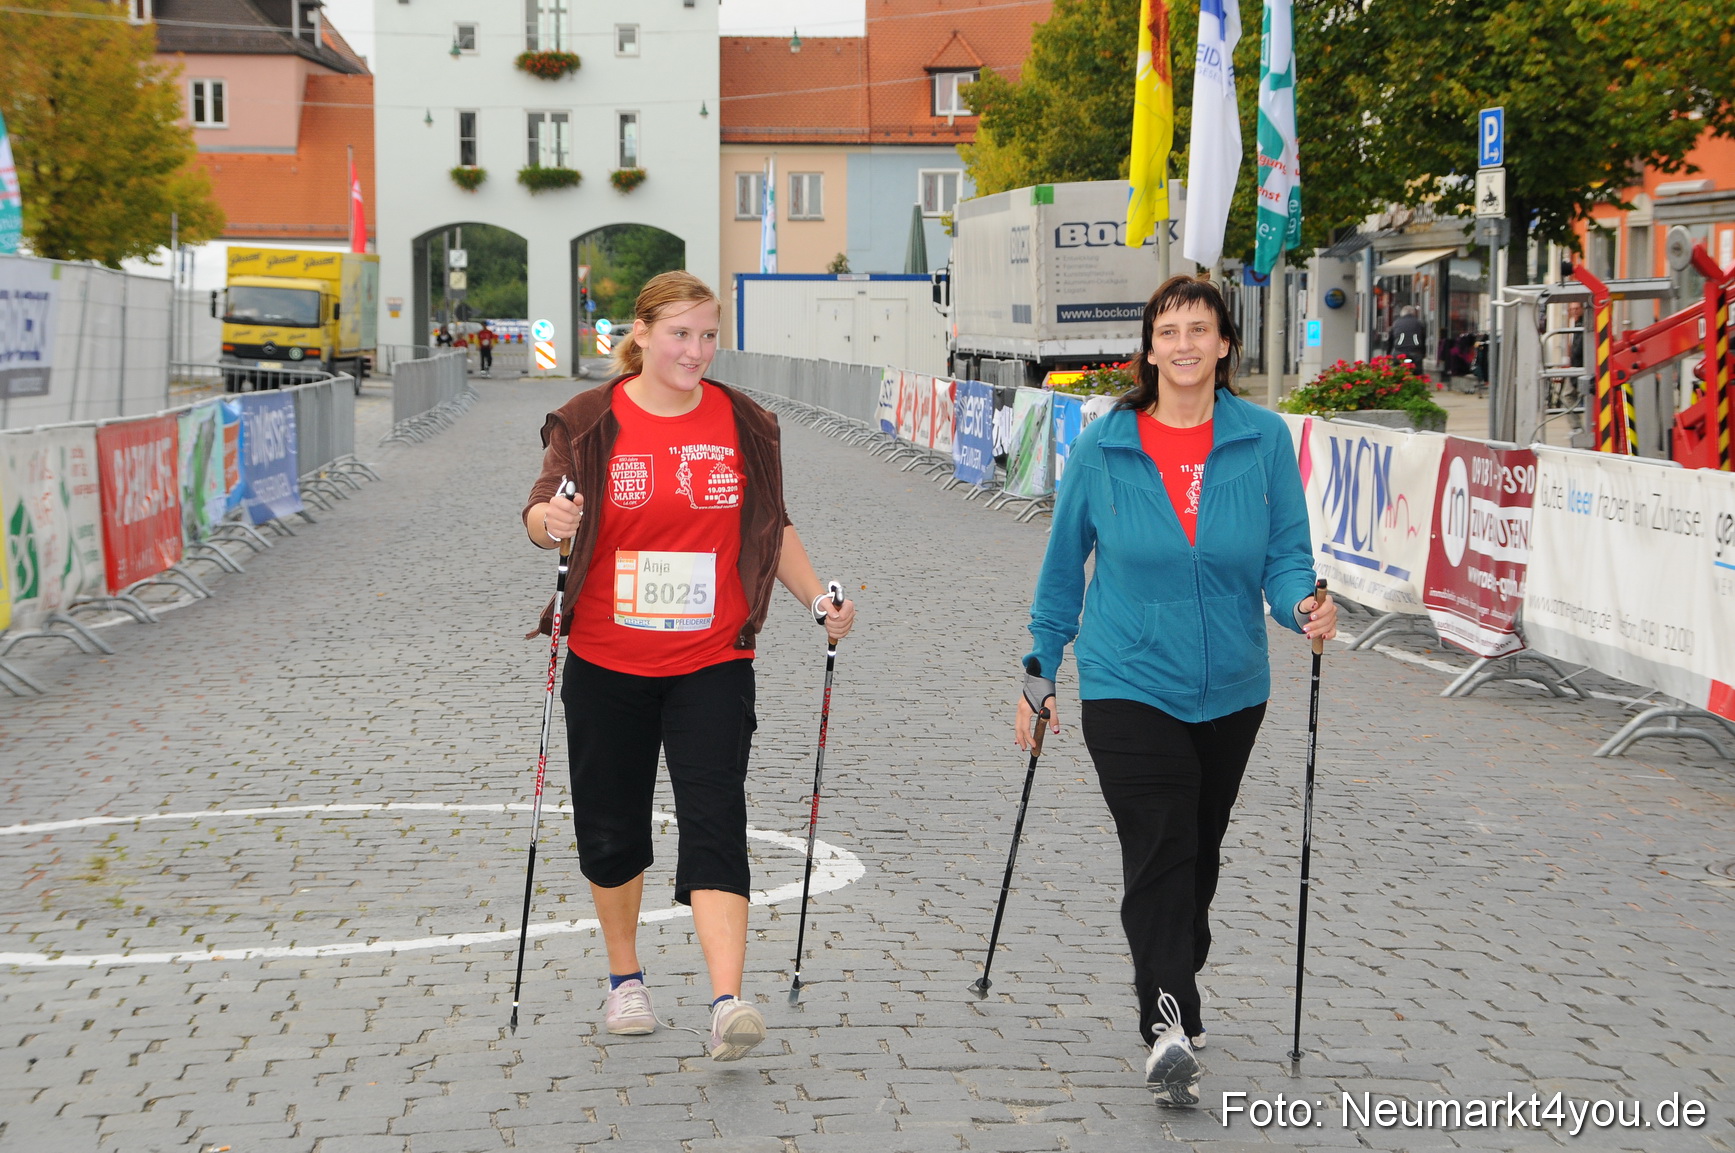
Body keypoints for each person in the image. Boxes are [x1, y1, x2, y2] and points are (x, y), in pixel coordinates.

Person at [1015, 275, 1336, 1107]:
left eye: (1199, 329)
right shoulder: (1105, 445)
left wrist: (1300, 605)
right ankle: (1166, 1022)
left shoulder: (1263, 439)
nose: (1184, 344)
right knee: (1159, 843)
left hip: (1231, 685)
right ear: (1149, 348)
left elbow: (1285, 557)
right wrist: (1040, 667)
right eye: (1168, 331)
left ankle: (1174, 964)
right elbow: (1062, 567)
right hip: (1126, 677)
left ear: (1224, 344)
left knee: (1196, 850)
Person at [522, 270, 857, 1064]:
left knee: (715, 816)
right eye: (680, 333)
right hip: (608, 658)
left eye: (708, 335)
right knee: (612, 825)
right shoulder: (589, 419)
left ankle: (727, 999)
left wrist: (818, 598)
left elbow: (770, 525)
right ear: (640, 334)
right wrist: (553, 519)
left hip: (711, 657)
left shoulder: (744, 421)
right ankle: (625, 978)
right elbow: (539, 514)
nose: (696, 350)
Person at [1388, 304, 1426, 369]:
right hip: (1415, 351)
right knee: (1417, 369)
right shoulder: (1419, 323)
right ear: (1414, 313)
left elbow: (1390, 340)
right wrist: (1423, 353)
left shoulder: (1396, 323)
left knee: (1395, 368)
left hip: (1399, 351)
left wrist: (1389, 353)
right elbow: (1423, 338)